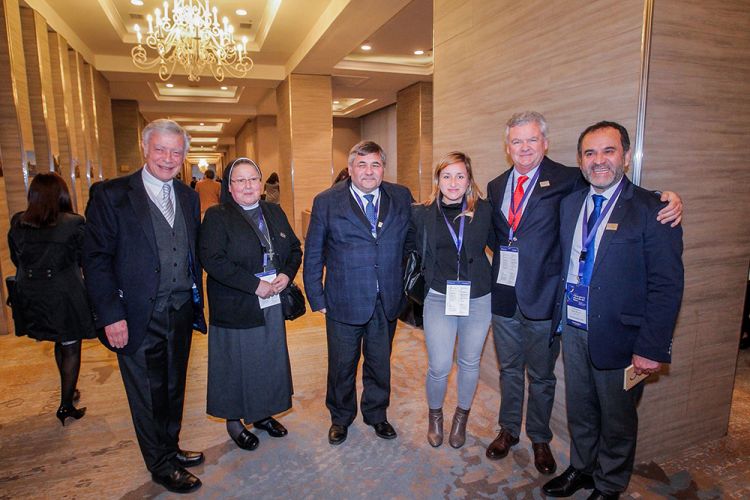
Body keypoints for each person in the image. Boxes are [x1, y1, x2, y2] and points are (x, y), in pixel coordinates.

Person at [485, 111, 683, 475]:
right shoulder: (496, 186)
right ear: (507, 146)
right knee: (509, 370)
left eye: (532, 140)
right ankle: (508, 429)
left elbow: (617, 189)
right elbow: (495, 235)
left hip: (545, 299)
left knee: (542, 376)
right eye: (516, 141)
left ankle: (540, 438)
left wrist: (664, 197)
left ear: (545, 143)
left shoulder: (568, 179)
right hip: (506, 297)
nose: (524, 147)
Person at [542, 121, 684, 499]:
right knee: (581, 408)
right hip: (574, 326)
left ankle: (609, 484)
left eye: (608, 151)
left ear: (626, 156)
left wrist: (652, 347)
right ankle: (583, 468)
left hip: (622, 335)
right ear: (580, 161)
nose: (599, 160)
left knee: (618, 417)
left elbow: (667, 285)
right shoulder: (571, 203)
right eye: (590, 153)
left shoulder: (654, 210)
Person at [83, 119, 204, 494]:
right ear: (145, 148)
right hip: (135, 314)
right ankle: (160, 464)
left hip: (180, 309)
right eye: (160, 149)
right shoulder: (111, 194)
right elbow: (95, 259)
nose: (168, 158)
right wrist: (111, 315)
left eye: (176, 152)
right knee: (148, 393)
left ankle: (171, 446)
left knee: (174, 386)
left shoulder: (188, 196)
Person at [303, 141, 412, 445]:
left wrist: (405, 284)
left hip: (386, 299)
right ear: (350, 169)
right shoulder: (326, 201)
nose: (368, 171)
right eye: (361, 165)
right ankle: (340, 417)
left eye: (375, 164)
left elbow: (411, 242)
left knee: (380, 363)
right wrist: (317, 297)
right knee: (342, 365)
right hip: (343, 300)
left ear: (383, 168)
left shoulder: (401, 196)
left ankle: (377, 414)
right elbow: (314, 253)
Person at [199, 158, 301, 451]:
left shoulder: (274, 211)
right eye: (240, 180)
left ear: (261, 183)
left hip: (271, 301)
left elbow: (294, 249)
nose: (248, 186)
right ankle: (234, 421)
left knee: (267, 359)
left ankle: (261, 413)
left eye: (253, 179)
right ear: (229, 187)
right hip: (236, 303)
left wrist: (286, 274)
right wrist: (254, 285)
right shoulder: (217, 216)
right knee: (234, 364)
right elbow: (212, 260)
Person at [410, 152, 494, 448]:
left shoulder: (484, 210)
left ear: (469, 180)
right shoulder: (422, 213)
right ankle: (435, 416)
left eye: (460, 176)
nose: (453, 182)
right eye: (447, 176)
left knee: (470, 362)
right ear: (438, 180)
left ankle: (461, 417)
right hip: (438, 296)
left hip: (478, 298)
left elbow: (503, 245)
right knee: (440, 365)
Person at [8, 172, 95, 425]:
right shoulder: (73, 223)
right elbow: (84, 259)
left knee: (60, 339)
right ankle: (66, 405)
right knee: (70, 345)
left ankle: (69, 391)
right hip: (64, 292)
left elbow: (16, 259)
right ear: (63, 195)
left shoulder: (18, 222)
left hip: (32, 293)